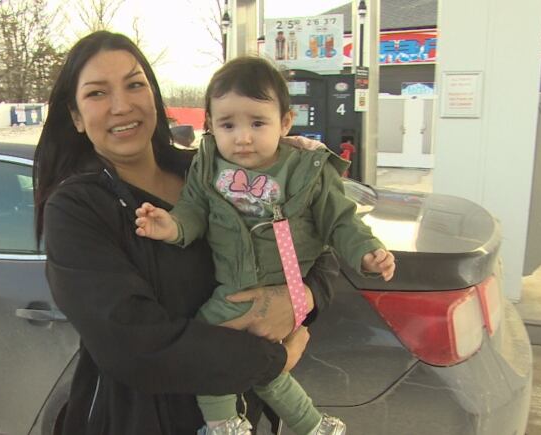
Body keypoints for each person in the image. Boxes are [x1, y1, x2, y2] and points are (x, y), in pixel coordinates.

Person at [36, 31, 318, 435]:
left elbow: (312, 239)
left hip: (243, 417)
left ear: (153, 94)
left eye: (135, 84)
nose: (121, 106)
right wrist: (271, 361)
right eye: (97, 94)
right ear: (76, 117)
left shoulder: (213, 171)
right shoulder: (76, 209)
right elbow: (134, 343)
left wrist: (301, 296)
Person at [134, 56, 396, 435]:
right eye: (228, 125)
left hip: (282, 286)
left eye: (257, 123)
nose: (242, 137)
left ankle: (223, 424)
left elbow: (340, 220)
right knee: (266, 371)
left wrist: (367, 251)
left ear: (285, 122)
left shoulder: (306, 170)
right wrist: (171, 226)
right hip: (235, 284)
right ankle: (313, 425)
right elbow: (193, 211)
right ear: (210, 125)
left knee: (207, 343)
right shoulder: (207, 167)